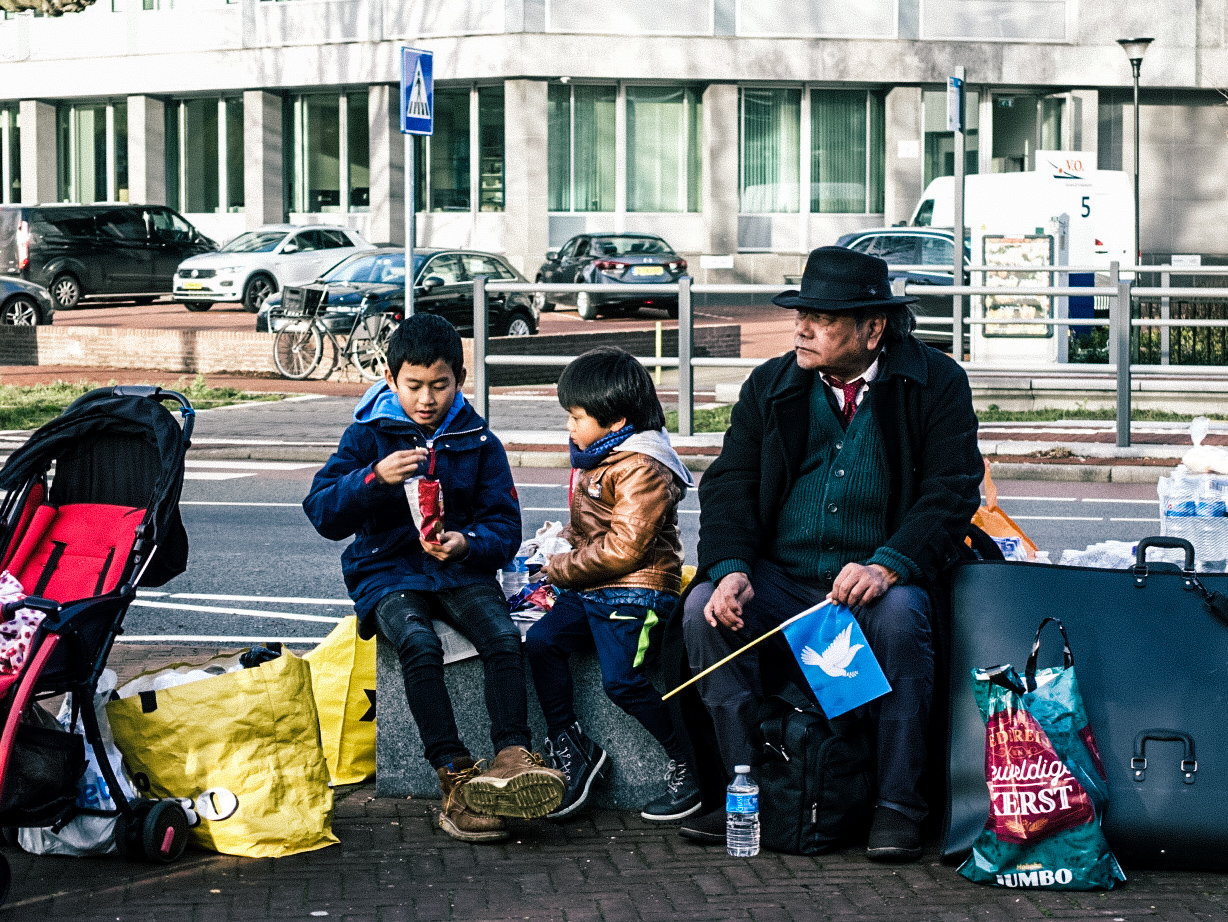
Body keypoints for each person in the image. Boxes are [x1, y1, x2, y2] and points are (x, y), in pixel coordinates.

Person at [679, 246, 983, 861]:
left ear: (873, 328)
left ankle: (898, 806)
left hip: (879, 580)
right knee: (703, 612)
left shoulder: (935, 382)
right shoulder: (771, 384)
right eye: (802, 313)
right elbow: (731, 483)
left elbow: (951, 492)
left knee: (902, 620)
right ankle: (748, 795)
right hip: (781, 578)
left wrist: (888, 563)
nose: (802, 327)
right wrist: (732, 570)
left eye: (822, 317)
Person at [303, 314, 564, 843]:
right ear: (390, 378)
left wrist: (467, 542)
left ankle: (512, 756)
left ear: (459, 381)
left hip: (459, 569)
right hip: (386, 571)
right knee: (419, 645)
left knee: (502, 636)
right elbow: (323, 513)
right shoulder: (367, 434)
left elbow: (504, 527)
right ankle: (454, 778)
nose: (426, 399)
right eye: (413, 386)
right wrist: (373, 478)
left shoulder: (477, 438)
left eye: (440, 385)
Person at [524, 347, 703, 822]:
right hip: (596, 587)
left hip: (637, 592)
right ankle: (572, 746)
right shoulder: (602, 456)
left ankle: (692, 762)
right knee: (541, 641)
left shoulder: (642, 466)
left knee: (622, 682)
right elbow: (602, 534)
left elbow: (626, 549)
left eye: (576, 416)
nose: (569, 426)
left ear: (616, 420)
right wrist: (562, 540)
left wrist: (560, 567)